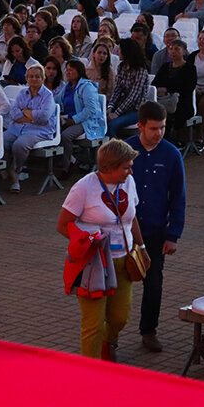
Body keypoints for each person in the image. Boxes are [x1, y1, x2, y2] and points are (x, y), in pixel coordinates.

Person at [58, 139, 145, 361]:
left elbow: (132, 218)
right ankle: (92, 371)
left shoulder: (129, 182)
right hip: (93, 264)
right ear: (108, 168)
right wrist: (86, 240)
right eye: (126, 167)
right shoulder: (84, 187)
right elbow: (63, 225)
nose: (130, 171)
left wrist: (141, 247)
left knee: (120, 317)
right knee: (93, 323)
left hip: (123, 261)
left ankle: (109, 341)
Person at [128, 101, 186, 354]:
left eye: (162, 127)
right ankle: (109, 336)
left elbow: (178, 197)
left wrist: (173, 234)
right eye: (153, 128)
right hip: (123, 231)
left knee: (154, 284)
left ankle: (149, 331)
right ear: (140, 126)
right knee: (117, 284)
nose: (158, 133)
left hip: (155, 231)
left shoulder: (172, 154)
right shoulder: (124, 150)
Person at [3, 63, 56, 193]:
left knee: (19, 145)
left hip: (39, 131)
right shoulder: (22, 93)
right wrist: (33, 117)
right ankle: (8, 170)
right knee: (1, 141)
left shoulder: (48, 95)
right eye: (31, 76)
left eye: (37, 77)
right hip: (18, 127)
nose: (34, 79)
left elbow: (44, 116)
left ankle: (16, 170)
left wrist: (25, 111)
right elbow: (14, 113)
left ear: (43, 78)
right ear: (26, 78)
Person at [107, 38, 151, 135]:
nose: (118, 52)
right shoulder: (121, 67)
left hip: (136, 110)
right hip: (121, 105)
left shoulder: (141, 70)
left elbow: (133, 96)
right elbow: (117, 89)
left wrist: (117, 113)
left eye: (120, 50)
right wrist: (110, 106)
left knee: (112, 124)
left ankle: (115, 148)